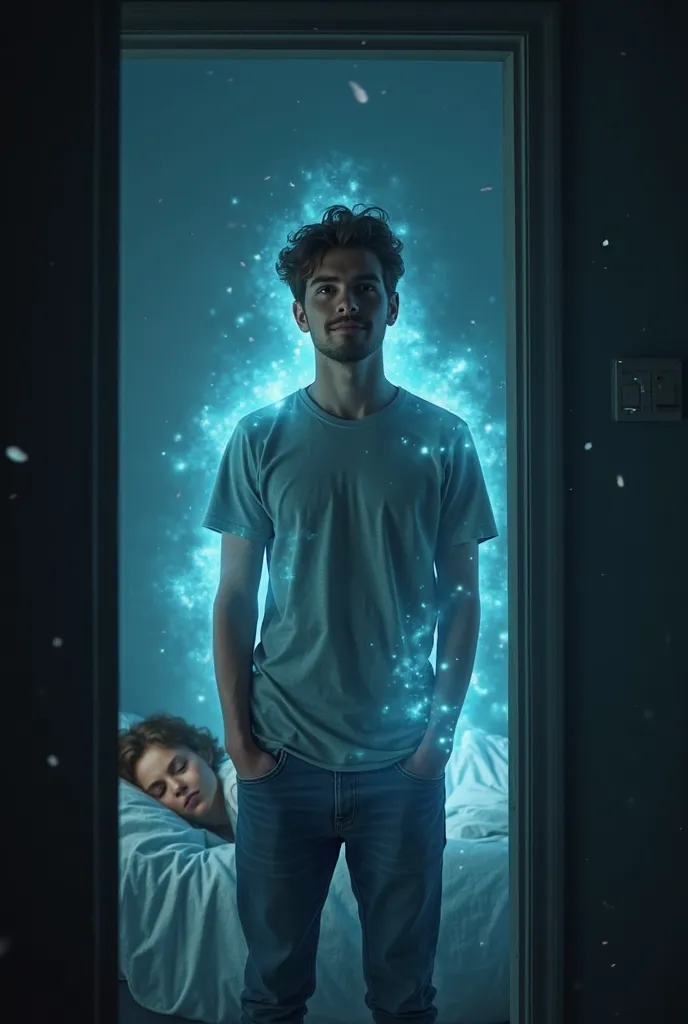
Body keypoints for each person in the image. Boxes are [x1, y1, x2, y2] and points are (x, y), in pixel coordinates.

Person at [203, 204, 498, 1024]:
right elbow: (233, 595)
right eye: (326, 289)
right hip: (282, 760)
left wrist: (438, 740)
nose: (347, 303)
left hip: (400, 768)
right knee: (270, 995)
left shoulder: (445, 439)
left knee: (405, 999)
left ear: (391, 305)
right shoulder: (258, 437)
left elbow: (463, 598)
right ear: (300, 312)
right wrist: (238, 741)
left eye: (364, 288)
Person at [118, 713, 235, 842]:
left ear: (204, 753)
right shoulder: (190, 835)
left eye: (180, 768)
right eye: (160, 790)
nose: (177, 787)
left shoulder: (237, 786)